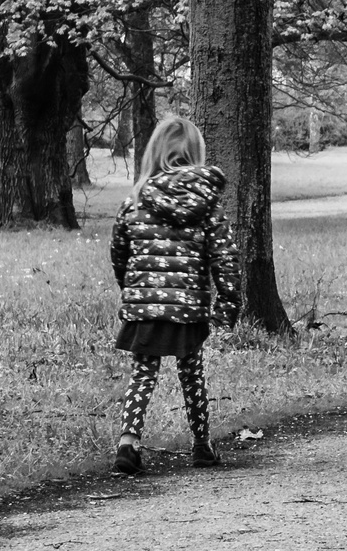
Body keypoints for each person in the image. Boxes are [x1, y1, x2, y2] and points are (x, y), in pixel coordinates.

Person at [109, 115, 239, 475]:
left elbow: (119, 252)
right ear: (195, 153)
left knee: (143, 373)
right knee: (192, 372)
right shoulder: (208, 204)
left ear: (154, 152)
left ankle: (128, 443)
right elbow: (225, 258)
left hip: (145, 305)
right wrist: (228, 305)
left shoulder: (135, 199)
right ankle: (201, 444)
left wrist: (132, 289)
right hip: (188, 306)